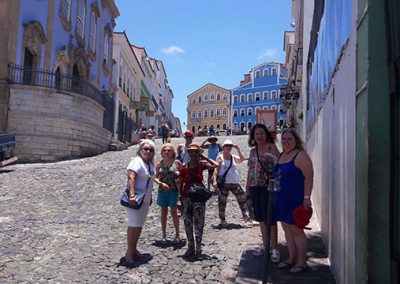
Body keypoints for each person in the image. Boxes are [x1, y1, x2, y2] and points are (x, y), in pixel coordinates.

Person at [274, 128, 313, 273]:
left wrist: (307, 198)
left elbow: (309, 177)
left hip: (296, 199)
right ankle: (292, 258)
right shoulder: (282, 155)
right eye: (284, 139)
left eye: (289, 139)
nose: (286, 142)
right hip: (282, 198)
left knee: (296, 230)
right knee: (286, 228)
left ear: (296, 140)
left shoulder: (300, 155)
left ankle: (302, 262)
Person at [245, 123, 281, 263]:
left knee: (270, 218)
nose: (259, 136)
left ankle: (274, 248)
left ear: (266, 134)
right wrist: (247, 187)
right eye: (256, 134)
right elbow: (250, 170)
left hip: (268, 188)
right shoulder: (253, 151)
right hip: (254, 187)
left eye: (261, 133)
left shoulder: (272, 148)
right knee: (260, 217)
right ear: (253, 137)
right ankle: (266, 245)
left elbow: (279, 166)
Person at [178, 143, 218, 258]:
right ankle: (191, 247)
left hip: (199, 198)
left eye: (196, 151)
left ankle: (198, 249)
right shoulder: (184, 167)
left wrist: (205, 157)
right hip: (186, 197)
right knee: (188, 223)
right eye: (191, 152)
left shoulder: (202, 165)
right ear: (189, 153)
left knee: (199, 223)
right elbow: (180, 183)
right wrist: (179, 199)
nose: (194, 154)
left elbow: (216, 165)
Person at [122, 139, 156, 267]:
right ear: (140, 150)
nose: (148, 151)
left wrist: (150, 195)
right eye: (145, 149)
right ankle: (129, 253)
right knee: (133, 224)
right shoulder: (137, 161)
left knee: (139, 224)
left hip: (145, 199)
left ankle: (134, 249)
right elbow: (131, 177)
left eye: (151, 150)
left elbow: (150, 180)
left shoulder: (150, 165)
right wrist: (132, 195)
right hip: (135, 199)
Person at [212, 139, 249, 226]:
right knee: (222, 202)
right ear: (223, 147)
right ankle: (222, 220)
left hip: (234, 182)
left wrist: (238, 149)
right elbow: (216, 169)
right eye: (227, 146)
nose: (229, 147)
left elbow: (242, 159)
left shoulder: (233, 157)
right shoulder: (220, 157)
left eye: (230, 146)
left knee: (242, 199)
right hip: (224, 183)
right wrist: (214, 181)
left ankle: (246, 216)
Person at [154, 143, 182, 243]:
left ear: (172, 152)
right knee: (163, 213)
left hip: (174, 191)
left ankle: (177, 235)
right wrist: (161, 183)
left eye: (169, 150)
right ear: (162, 152)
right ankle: (164, 235)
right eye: (165, 150)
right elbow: (155, 177)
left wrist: (179, 178)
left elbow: (183, 176)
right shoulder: (159, 164)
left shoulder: (177, 163)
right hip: (162, 191)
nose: (167, 152)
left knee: (174, 213)